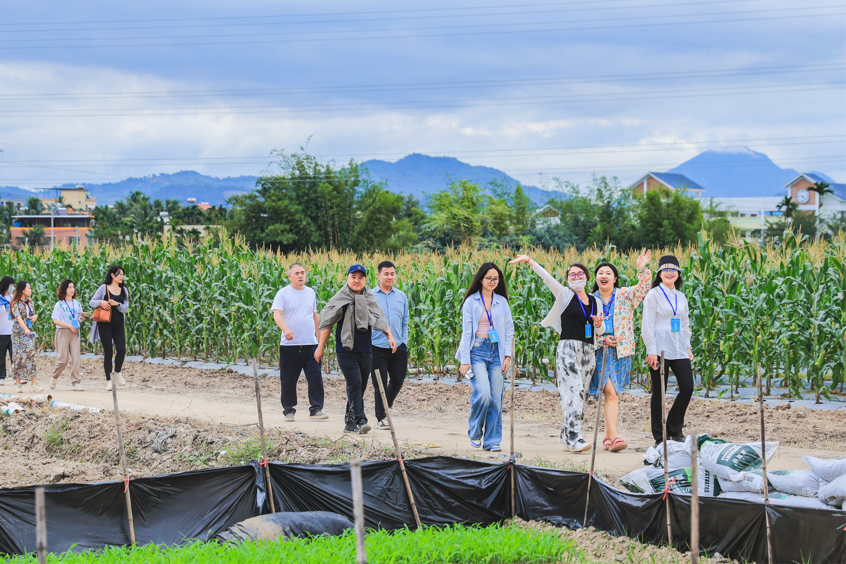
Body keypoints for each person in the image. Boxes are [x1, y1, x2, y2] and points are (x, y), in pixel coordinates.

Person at [509, 255, 603, 452]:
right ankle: (573, 438)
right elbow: (547, 278)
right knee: (574, 392)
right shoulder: (565, 294)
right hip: (568, 349)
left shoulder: (596, 301)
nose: (576, 277)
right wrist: (529, 261)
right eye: (571, 274)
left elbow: (600, 332)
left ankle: (568, 433)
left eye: (579, 273)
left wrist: (599, 325)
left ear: (586, 277)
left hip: (588, 351)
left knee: (581, 395)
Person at [316, 264, 396, 435]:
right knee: (354, 384)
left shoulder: (369, 298)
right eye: (354, 277)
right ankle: (361, 420)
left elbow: (379, 317)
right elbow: (328, 323)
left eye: (360, 277)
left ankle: (349, 424)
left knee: (359, 388)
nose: (357, 280)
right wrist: (320, 347)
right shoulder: (341, 298)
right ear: (347, 278)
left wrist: (389, 336)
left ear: (365, 280)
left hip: (366, 350)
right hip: (346, 349)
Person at [589, 251, 652, 453]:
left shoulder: (625, 295)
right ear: (596, 278)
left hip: (622, 351)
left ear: (615, 279)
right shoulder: (590, 300)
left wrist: (642, 268)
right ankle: (615, 437)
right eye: (600, 273)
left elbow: (644, 288)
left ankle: (607, 437)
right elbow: (584, 329)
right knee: (611, 392)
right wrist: (601, 339)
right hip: (599, 351)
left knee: (613, 394)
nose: (604, 275)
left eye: (608, 272)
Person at [455, 262, 515, 452]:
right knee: (483, 394)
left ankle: (492, 440)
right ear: (481, 279)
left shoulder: (502, 302)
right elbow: (466, 333)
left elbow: (508, 330)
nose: (492, 281)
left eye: (495, 279)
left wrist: (508, 356)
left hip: (497, 353)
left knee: (496, 398)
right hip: (477, 352)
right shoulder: (471, 302)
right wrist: (465, 361)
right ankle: (474, 431)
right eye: (488, 278)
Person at [641, 254, 694, 445]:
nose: (669, 272)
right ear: (660, 273)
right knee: (659, 392)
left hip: (678, 346)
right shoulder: (653, 295)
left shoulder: (681, 297)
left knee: (687, 387)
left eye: (673, 269)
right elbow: (647, 324)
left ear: (678, 274)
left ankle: (674, 427)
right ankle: (659, 436)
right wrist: (651, 350)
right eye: (665, 269)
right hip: (660, 348)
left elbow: (685, 323)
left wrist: (688, 346)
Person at [271, 263, 327, 422]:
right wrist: (285, 329)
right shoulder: (283, 293)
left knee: (315, 376)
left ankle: (316, 409)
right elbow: (277, 315)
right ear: (290, 276)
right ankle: (289, 410)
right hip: (290, 346)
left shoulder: (311, 293)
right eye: (297, 273)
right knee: (288, 379)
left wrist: (320, 336)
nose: (301, 276)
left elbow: (314, 315)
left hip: (311, 344)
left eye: (303, 273)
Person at [367, 261, 410, 429]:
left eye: (392, 273)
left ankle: (385, 406)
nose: (390, 277)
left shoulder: (401, 296)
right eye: (386, 274)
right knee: (380, 383)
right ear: (378, 275)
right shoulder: (370, 296)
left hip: (398, 345)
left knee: (398, 380)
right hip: (376, 346)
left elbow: (405, 321)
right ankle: (381, 417)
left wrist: (403, 341)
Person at [90, 265, 129, 391]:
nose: (122, 277)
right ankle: (108, 380)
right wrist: (101, 302)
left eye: (123, 274)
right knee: (108, 352)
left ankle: (117, 372)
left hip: (118, 324)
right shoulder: (103, 288)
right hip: (105, 323)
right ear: (113, 275)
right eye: (120, 274)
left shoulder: (124, 290)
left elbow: (126, 307)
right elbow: (92, 302)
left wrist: (117, 304)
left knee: (122, 349)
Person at [50, 280, 87, 391]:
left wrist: (82, 318)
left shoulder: (77, 304)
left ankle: (76, 382)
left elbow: (78, 317)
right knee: (63, 359)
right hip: (63, 332)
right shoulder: (59, 304)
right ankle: (54, 376)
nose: (72, 289)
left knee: (76, 358)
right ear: (64, 289)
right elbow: (56, 321)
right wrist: (69, 326)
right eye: (69, 287)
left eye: (73, 287)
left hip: (75, 332)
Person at [10, 281, 43, 393]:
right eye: (29, 288)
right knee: (18, 357)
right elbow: (18, 318)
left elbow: (32, 314)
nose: (31, 290)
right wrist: (26, 330)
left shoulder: (30, 302)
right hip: (19, 334)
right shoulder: (15, 303)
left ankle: (34, 382)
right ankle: (17, 383)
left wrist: (35, 316)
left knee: (31, 355)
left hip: (28, 332)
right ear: (23, 290)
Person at [0, 276, 15, 386]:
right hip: (2, 331)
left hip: (13, 331)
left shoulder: (13, 298)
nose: (12, 287)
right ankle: (1, 377)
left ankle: (17, 377)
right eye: (11, 285)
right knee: (1, 356)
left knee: (14, 355)